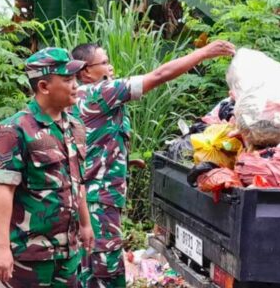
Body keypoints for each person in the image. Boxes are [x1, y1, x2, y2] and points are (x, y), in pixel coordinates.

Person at [72, 39, 236, 288]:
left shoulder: (78, 97)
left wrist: (123, 159)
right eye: (104, 63)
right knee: (106, 273)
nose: (111, 67)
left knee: (87, 267)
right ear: (85, 71)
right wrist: (203, 53)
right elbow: (160, 75)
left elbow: (88, 142)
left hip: (88, 197)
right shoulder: (102, 92)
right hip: (99, 201)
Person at [0, 47, 95, 287]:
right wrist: (2, 247)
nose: (75, 85)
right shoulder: (13, 130)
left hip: (67, 253)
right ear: (44, 87)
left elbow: (77, 182)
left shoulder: (75, 127)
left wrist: (86, 225)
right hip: (27, 255)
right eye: (67, 79)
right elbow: (3, 190)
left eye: (75, 78)